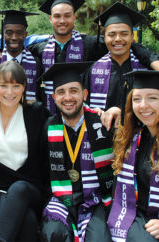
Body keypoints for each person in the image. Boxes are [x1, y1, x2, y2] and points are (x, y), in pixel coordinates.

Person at [26, 0, 159, 113]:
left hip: (83, 118)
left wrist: (157, 63)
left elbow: (126, 46)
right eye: (57, 16)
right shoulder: (41, 48)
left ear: (74, 17)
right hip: (50, 116)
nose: (62, 20)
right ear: (51, 19)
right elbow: (18, 51)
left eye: (67, 15)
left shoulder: (90, 44)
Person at [0, 61, 50, 241]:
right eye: (4, 85)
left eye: (16, 86)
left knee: (19, 188)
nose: (10, 92)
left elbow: (66, 119)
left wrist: (99, 113)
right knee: (28, 220)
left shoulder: (36, 113)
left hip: (30, 188)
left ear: (24, 87)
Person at [40, 62, 114, 242]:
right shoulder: (48, 128)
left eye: (74, 90)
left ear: (84, 94)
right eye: (61, 92)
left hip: (96, 199)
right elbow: (42, 171)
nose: (68, 97)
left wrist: (117, 109)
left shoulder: (102, 124)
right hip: (61, 198)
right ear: (54, 97)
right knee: (53, 233)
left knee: (99, 239)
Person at [108, 70, 159, 241]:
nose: (143, 105)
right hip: (137, 216)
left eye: (152, 98)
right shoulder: (130, 137)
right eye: (137, 99)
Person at [84, 2, 159, 130]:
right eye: (111, 34)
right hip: (102, 139)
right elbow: (84, 103)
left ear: (132, 37)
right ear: (104, 38)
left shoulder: (146, 69)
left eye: (124, 34)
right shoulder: (93, 70)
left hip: (138, 136)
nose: (118, 39)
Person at [0, 10, 42, 101]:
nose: (14, 37)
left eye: (19, 33)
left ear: (25, 35)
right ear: (4, 35)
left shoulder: (36, 63)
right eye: (9, 33)